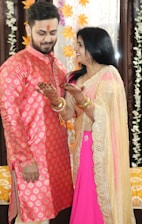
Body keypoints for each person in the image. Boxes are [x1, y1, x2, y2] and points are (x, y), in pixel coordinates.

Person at [37, 27, 136, 224]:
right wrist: (55, 99)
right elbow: (68, 114)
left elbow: (103, 116)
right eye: (76, 44)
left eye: (80, 45)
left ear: (94, 46)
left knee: (101, 198)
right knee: (85, 198)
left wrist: (82, 98)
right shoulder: (75, 78)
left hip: (104, 149)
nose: (75, 48)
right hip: (83, 148)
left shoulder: (110, 75)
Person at [0, 2, 73, 224]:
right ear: (28, 29)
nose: (47, 39)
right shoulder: (16, 65)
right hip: (32, 159)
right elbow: (9, 115)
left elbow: (64, 111)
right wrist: (25, 159)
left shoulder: (58, 65)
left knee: (51, 215)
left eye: (52, 33)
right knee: (32, 218)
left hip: (56, 157)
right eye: (41, 33)